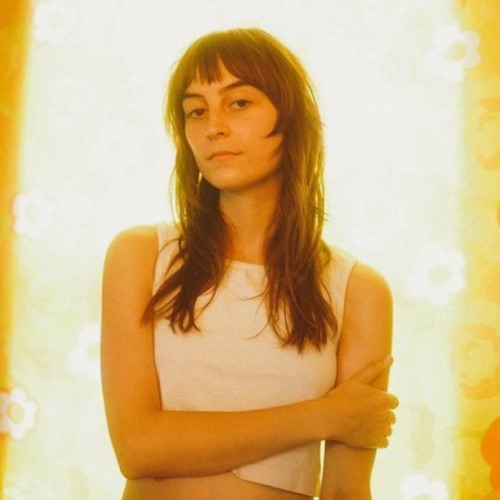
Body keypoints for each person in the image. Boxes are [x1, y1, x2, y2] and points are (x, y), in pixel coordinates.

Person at [101, 27, 398, 500]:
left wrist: (340, 420)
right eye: (196, 111)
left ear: (291, 117)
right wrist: (324, 416)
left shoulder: (357, 290)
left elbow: (345, 490)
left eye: (239, 103)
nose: (213, 126)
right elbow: (138, 448)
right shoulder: (140, 255)